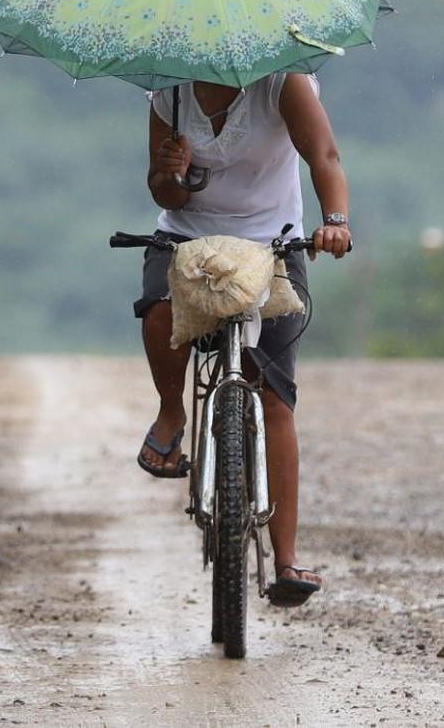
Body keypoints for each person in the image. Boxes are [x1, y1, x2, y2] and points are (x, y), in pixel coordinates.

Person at [133, 71, 351, 607]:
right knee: (160, 311)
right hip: (187, 238)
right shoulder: (171, 93)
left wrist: (336, 221)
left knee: (274, 397)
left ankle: (286, 559)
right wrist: (170, 174)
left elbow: (323, 155)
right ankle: (171, 415)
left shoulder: (284, 83)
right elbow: (162, 190)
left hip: (272, 243)